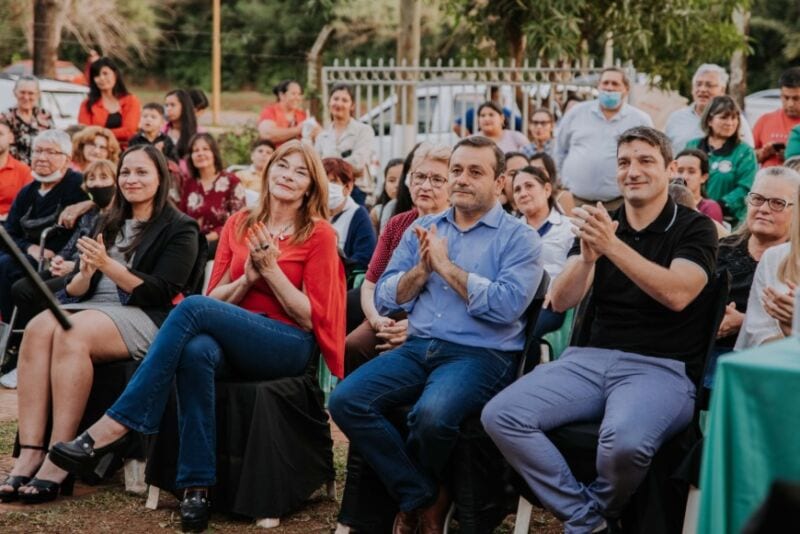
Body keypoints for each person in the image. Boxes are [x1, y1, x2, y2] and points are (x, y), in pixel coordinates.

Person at [50, 140, 345, 533]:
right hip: (232, 334)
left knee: (190, 309)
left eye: (300, 172)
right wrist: (247, 279)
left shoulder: (319, 233)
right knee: (196, 350)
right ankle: (196, 487)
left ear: (311, 186)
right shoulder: (240, 223)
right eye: (282, 166)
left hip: (286, 342)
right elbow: (216, 296)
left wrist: (271, 272)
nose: (288, 176)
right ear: (268, 170)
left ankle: (117, 424)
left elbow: (311, 317)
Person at [482, 126, 719, 533]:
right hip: (588, 361)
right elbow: (559, 300)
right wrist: (588, 259)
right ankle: (587, 519)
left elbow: (678, 293)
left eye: (645, 161)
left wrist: (612, 247)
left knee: (622, 446)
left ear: (669, 168)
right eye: (624, 162)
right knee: (501, 415)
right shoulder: (602, 223)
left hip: (661, 368)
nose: (633, 171)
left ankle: (592, 511)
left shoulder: (695, 228)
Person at [330, 136, 542, 534]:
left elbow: (506, 306)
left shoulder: (519, 238)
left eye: (475, 171)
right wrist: (422, 271)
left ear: (500, 183)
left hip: (481, 355)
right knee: (346, 400)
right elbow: (390, 290)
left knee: (431, 416)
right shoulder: (424, 227)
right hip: (418, 347)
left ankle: (425, 502)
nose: (462, 179)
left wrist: (445, 268)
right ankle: (423, 496)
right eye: (457, 170)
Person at [0, 144, 200, 504]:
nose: (131, 179)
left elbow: (160, 291)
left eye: (141, 172)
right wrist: (87, 271)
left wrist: (109, 266)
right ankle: (31, 451)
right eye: (126, 172)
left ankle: (60, 458)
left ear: (160, 177)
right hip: (93, 307)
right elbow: (77, 288)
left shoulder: (180, 228)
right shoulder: (106, 220)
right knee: (38, 327)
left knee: (71, 332)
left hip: (148, 317)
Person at [335, 143, 451, 534]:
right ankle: (372, 424)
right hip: (391, 313)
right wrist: (378, 320)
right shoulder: (398, 222)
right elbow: (369, 283)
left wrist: (411, 331)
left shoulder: (459, 225)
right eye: (419, 177)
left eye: (437, 179)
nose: (426, 186)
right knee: (354, 345)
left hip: (434, 328)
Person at [706, 167, 800, 383]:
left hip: (767, 363)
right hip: (704, 350)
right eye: (757, 199)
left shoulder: (792, 261)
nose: (764, 209)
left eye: (777, 203)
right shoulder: (718, 250)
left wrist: (743, 322)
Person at [0, 130, 88, 322]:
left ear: (67, 159)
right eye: (37, 151)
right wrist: (28, 247)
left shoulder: (79, 185)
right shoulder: (28, 191)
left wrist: (87, 203)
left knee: (5, 265)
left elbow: (106, 200)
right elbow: (9, 233)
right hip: (29, 252)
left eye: (50, 152)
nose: (41, 158)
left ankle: (11, 333)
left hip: (58, 260)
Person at [556, 67, 653, 209]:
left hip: (621, 203)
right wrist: (561, 182)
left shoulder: (640, 120)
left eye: (615, 84)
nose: (609, 88)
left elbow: (649, 157)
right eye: (605, 83)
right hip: (575, 201)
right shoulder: (576, 113)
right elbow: (559, 149)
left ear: (626, 89)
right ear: (598, 86)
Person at [513, 165, 574, 339]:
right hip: (516, 300)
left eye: (529, 186)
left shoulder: (569, 229)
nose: (523, 193)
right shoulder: (510, 232)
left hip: (552, 302)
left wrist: (556, 290)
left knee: (526, 332)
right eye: (517, 189)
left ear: (547, 189)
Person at [686, 95, 758, 224]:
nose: (730, 123)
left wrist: (718, 206)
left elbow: (746, 187)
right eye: (724, 117)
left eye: (734, 117)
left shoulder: (745, 152)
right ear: (709, 120)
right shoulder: (692, 146)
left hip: (730, 221)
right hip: (691, 215)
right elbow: (679, 178)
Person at [178, 133, 246, 257]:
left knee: (194, 253)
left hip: (221, 240)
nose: (200, 153)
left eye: (205, 149)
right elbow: (181, 216)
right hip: (192, 239)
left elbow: (239, 220)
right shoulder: (189, 183)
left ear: (214, 153)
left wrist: (211, 236)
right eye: (195, 150)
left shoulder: (232, 181)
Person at [665, 63, 754, 153]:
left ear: (722, 90)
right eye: (698, 84)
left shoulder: (733, 121)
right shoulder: (676, 118)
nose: (702, 89)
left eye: (709, 85)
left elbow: (747, 153)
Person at [323, 157, 376, 272]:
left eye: (333, 182)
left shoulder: (358, 215)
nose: (327, 187)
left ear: (348, 187)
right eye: (323, 181)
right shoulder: (311, 213)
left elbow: (364, 257)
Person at [315, 84, 375, 185]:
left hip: (356, 189)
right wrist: (346, 166)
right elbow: (316, 165)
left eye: (344, 100)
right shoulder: (322, 136)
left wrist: (328, 166)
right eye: (335, 99)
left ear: (352, 106)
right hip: (329, 188)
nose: (339, 103)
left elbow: (358, 164)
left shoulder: (364, 131)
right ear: (329, 102)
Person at [78, 57, 141, 149]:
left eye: (105, 73)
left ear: (115, 74)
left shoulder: (131, 100)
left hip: (124, 151)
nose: (101, 78)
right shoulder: (87, 104)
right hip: (96, 151)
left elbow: (129, 131)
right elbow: (85, 132)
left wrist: (101, 133)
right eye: (97, 75)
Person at [0, 75, 54, 165]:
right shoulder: (5, 118)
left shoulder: (45, 115)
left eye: (31, 93)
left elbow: (53, 143)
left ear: (38, 94)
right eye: (22, 92)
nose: (26, 97)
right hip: (15, 171)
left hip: (41, 170)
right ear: (15, 93)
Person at [753, 68, 800, 167]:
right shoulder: (765, 120)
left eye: (796, 98)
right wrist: (763, 153)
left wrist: (791, 157)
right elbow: (744, 157)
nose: (790, 104)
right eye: (786, 98)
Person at [672, 148, 723, 222]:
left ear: (704, 177)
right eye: (680, 171)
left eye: (691, 172)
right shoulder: (664, 203)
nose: (684, 177)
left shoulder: (710, 207)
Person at [258, 80, 311, 147]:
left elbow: (317, 133)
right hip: (276, 155)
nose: (297, 98)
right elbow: (267, 135)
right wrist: (298, 129)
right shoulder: (270, 111)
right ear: (282, 95)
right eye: (293, 94)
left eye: (299, 94)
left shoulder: (302, 115)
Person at [452, 86, 522, 136]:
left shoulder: (507, 112)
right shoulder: (473, 112)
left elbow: (522, 125)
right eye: (483, 116)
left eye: (491, 115)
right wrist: (470, 139)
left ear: (502, 118)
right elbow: (456, 126)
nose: (486, 119)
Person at [0, 120, 32, 221]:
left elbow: (29, 208)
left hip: (9, 228)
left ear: (11, 138)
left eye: (0, 134)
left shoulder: (24, 171)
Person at [530, 151, 576, 215]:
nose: (536, 174)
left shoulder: (564, 196)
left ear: (550, 172)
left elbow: (572, 223)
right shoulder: (530, 199)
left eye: (540, 170)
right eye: (532, 171)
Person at [163, 89, 199, 162]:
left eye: (172, 105)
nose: (168, 109)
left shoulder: (198, 132)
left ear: (184, 106)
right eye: (166, 105)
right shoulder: (161, 131)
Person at [370, 158, 404, 235]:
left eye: (402, 180)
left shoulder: (416, 211)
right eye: (391, 180)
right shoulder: (377, 213)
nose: (397, 185)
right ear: (384, 184)